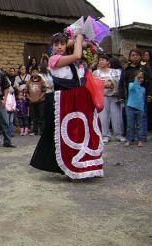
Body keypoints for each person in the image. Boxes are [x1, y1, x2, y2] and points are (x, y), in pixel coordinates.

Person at [30, 33, 104, 179]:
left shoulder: (75, 62)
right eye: (55, 44)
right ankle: (71, 165)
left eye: (62, 44)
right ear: (51, 47)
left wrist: (80, 39)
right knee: (70, 132)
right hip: (66, 100)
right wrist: (80, 35)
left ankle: (88, 165)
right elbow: (77, 54)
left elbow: (79, 50)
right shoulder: (54, 59)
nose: (59, 47)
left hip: (81, 99)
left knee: (86, 131)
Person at [118, 49, 152, 140]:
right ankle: (131, 136)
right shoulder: (126, 69)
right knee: (130, 117)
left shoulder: (145, 68)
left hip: (141, 96)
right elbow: (122, 83)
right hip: (129, 97)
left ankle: (142, 136)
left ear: (140, 57)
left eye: (137, 55)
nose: (135, 57)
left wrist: (149, 94)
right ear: (129, 57)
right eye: (133, 55)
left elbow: (150, 81)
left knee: (142, 116)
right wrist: (121, 96)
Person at [93, 54, 125, 142]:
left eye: (103, 60)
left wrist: (110, 82)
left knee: (117, 115)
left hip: (114, 96)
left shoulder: (115, 71)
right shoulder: (96, 72)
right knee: (103, 116)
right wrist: (104, 84)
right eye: (100, 60)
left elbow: (119, 81)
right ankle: (105, 135)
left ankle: (118, 134)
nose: (101, 61)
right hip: (102, 97)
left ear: (108, 62)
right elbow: (94, 84)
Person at [124, 71, 146, 147]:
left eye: (141, 78)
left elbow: (142, 99)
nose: (140, 79)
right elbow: (133, 88)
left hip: (140, 109)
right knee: (130, 125)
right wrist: (136, 80)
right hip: (130, 107)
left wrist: (142, 109)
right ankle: (129, 139)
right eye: (138, 77)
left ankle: (140, 140)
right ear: (134, 78)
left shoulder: (143, 89)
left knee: (139, 125)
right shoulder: (131, 85)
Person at [26, 67, 45, 136]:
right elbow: (26, 92)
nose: (35, 73)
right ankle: (35, 130)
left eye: (36, 72)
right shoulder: (29, 82)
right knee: (34, 117)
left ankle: (42, 131)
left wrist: (40, 97)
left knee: (41, 116)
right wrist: (29, 98)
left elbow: (44, 90)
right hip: (32, 102)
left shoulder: (41, 81)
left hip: (41, 102)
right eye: (33, 72)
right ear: (31, 73)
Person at [39, 61, 54, 125]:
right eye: (48, 66)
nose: (49, 67)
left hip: (51, 92)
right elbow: (40, 84)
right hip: (44, 93)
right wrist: (47, 87)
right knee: (44, 110)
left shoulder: (50, 74)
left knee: (50, 109)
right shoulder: (40, 75)